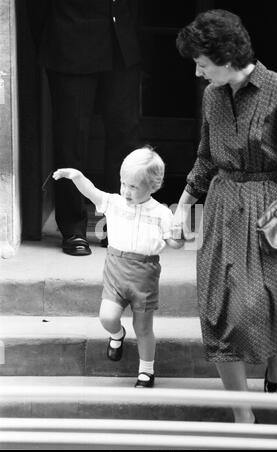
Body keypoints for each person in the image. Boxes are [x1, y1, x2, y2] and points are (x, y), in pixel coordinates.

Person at [173, 9, 277, 423]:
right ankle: (243, 418)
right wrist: (183, 208)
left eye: (202, 64)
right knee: (222, 312)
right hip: (224, 208)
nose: (197, 73)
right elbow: (206, 157)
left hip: (272, 210)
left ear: (225, 59)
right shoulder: (211, 96)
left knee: (271, 306)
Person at [53, 146, 184, 387]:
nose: (126, 191)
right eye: (124, 183)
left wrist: (180, 235)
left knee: (143, 327)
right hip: (116, 268)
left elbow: (174, 243)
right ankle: (117, 334)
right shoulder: (114, 202)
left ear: (153, 186)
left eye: (133, 186)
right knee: (107, 317)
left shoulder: (162, 213)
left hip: (145, 274)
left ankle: (146, 370)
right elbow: (91, 192)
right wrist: (76, 176)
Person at [26, 0, 141, 255]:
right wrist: (51, 39)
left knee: (125, 137)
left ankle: (119, 225)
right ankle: (73, 228)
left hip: (121, 40)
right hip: (70, 39)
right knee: (71, 138)